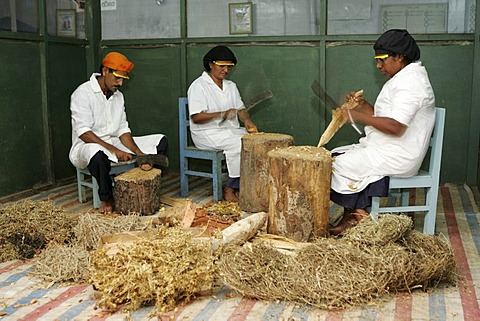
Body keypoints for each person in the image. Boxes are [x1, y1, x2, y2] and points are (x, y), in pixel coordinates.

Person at [328, 29, 435, 236]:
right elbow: (382, 117)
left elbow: (395, 127)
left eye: (382, 60)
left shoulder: (411, 83)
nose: (378, 65)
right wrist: (362, 106)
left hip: (399, 153)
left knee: (335, 165)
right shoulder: (402, 78)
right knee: (335, 156)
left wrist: (358, 117)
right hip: (388, 146)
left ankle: (358, 216)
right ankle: (354, 214)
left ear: (399, 57)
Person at [69, 52, 168, 214]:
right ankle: (106, 199)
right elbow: (84, 132)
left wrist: (139, 153)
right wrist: (114, 150)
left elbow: (122, 130)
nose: (120, 83)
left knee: (160, 140)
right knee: (98, 153)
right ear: (105, 71)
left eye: (123, 79)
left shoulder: (118, 97)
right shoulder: (82, 93)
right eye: (117, 78)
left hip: (113, 141)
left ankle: (146, 189)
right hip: (86, 146)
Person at [187, 45, 258, 202]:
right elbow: (196, 117)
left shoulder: (231, 86)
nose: (226, 70)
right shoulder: (198, 86)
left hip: (229, 130)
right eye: (222, 66)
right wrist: (221, 114)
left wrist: (247, 121)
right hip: (206, 133)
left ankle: (246, 186)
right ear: (210, 64)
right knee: (239, 143)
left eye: (229, 67)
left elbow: (241, 109)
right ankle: (229, 188)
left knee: (256, 140)